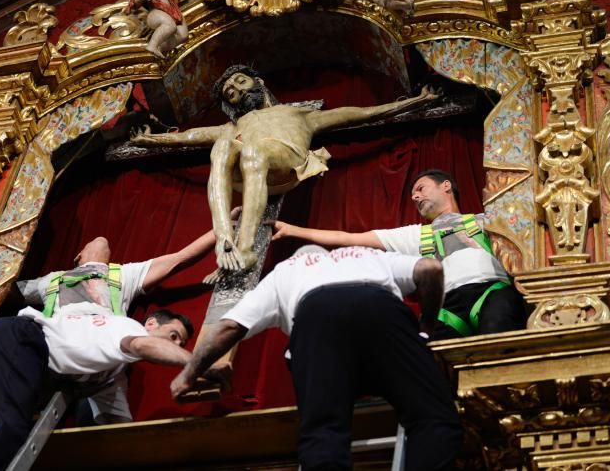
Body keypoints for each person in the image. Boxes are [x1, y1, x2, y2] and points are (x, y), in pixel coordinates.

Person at [171, 245, 462, 470]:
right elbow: (431, 268)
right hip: (381, 312)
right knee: (432, 417)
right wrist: (425, 331)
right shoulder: (365, 254)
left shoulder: (286, 269)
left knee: (324, 432)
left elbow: (230, 326)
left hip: (318, 321)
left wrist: (187, 375)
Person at [131, 64, 437, 272]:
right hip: (251, 168)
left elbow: (356, 113)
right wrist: (152, 140)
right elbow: (189, 136)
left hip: (287, 163)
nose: (234, 88)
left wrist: (410, 103)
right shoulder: (232, 126)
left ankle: (247, 246)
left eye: (239, 81)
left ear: (258, 83)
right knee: (223, 145)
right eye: (229, 90)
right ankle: (225, 239)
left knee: (251, 149)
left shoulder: (298, 114)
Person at [0, 308, 206, 471]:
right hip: (23, 342)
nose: (175, 345)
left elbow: (118, 422)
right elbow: (143, 344)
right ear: (151, 323)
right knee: (3, 428)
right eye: (174, 336)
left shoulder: (112, 370)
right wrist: (198, 363)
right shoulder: (127, 329)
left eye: (180, 343)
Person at [272, 169, 527, 339]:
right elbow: (348, 238)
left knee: (498, 334)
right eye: (413, 194)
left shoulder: (487, 220)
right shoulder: (414, 235)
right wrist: (292, 229)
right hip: (446, 307)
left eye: (421, 188)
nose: (415, 196)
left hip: (491, 292)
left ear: (446, 186)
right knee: (428, 363)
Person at [16, 230, 216, 424]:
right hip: (58, 344)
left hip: (106, 358)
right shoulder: (50, 280)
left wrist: (222, 230)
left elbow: (179, 259)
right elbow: (8, 290)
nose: (103, 242)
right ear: (79, 256)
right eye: (94, 242)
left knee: (118, 425)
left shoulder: (121, 275)